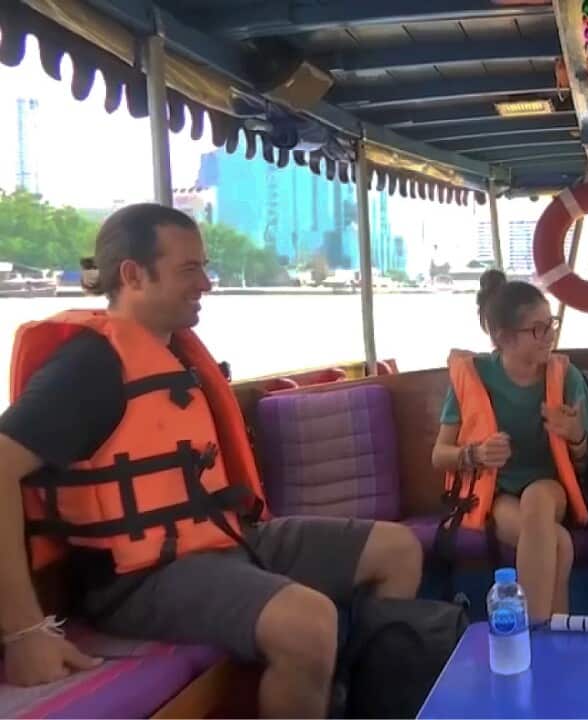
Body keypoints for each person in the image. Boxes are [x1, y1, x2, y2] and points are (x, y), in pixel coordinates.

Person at [0, 204, 422, 718]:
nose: (206, 282)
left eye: (204, 266)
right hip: (140, 576)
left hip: (224, 538)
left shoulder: (172, 351)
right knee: (308, 621)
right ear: (133, 274)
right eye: (189, 269)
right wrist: (24, 631)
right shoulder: (89, 366)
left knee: (396, 550)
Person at [431, 270, 588, 624]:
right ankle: (553, 639)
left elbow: (584, 464)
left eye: (550, 324)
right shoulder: (473, 376)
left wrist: (576, 437)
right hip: (499, 493)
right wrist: (475, 454)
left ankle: (532, 636)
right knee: (559, 543)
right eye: (537, 329)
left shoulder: (567, 377)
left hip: (550, 488)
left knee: (538, 500)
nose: (549, 335)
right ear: (503, 338)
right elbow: (439, 455)